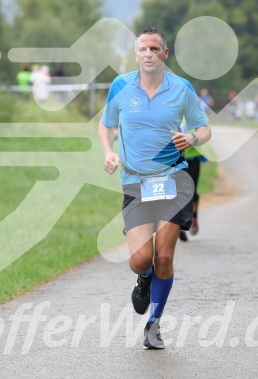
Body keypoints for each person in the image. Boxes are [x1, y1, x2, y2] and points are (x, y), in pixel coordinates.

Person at [99, 26, 211, 349]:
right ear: (135, 55)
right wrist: (109, 152)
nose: (148, 54)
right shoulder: (121, 87)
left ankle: (154, 323)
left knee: (164, 256)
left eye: (154, 49)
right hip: (135, 183)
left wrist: (191, 137)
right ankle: (143, 277)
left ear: (164, 54)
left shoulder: (181, 88)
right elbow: (106, 125)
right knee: (140, 259)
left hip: (174, 179)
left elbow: (204, 129)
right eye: (142, 49)